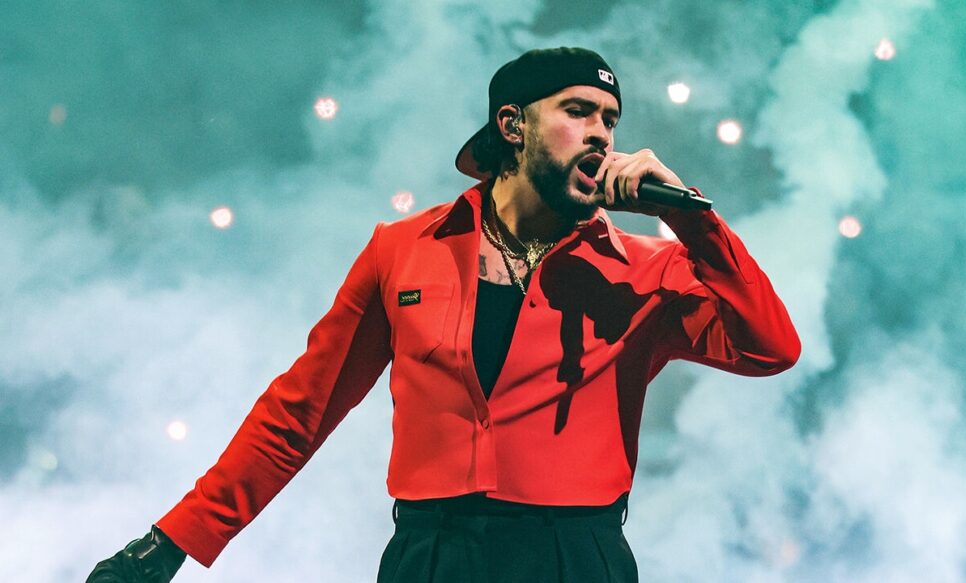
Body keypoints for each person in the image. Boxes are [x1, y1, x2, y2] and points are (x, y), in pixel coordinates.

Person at [87, 47, 800, 582]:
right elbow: (299, 412)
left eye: (610, 120)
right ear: (512, 124)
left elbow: (772, 347)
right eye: (578, 111)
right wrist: (174, 540)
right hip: (431, 554)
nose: (602, 134)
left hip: (574, 556)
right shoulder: (401, 251)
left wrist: (695, 220)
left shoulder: (649, 268)